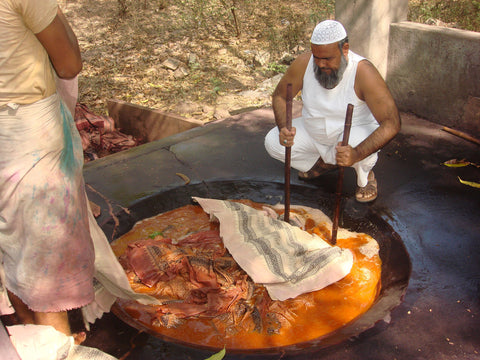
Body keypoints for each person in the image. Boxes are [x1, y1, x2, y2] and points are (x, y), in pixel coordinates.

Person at [0, 0, 92, 343]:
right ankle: (55, 347)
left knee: (11, 248)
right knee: (44, 258)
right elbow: (69, 65)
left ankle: (28, 340)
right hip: (26, 133)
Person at [264, 20, 401, 202]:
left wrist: (357, 154)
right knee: (273, 142)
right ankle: (326, 162)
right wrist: (284, 127)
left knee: (353, 143)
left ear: (345, 49)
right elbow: (280, 96)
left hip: (352, 135)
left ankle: (365, 177)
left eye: (327, 58)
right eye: (316, 57)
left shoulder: (363, 71)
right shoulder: (304, 63)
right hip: (315, 131)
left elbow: (392, 123)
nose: (320, 64)